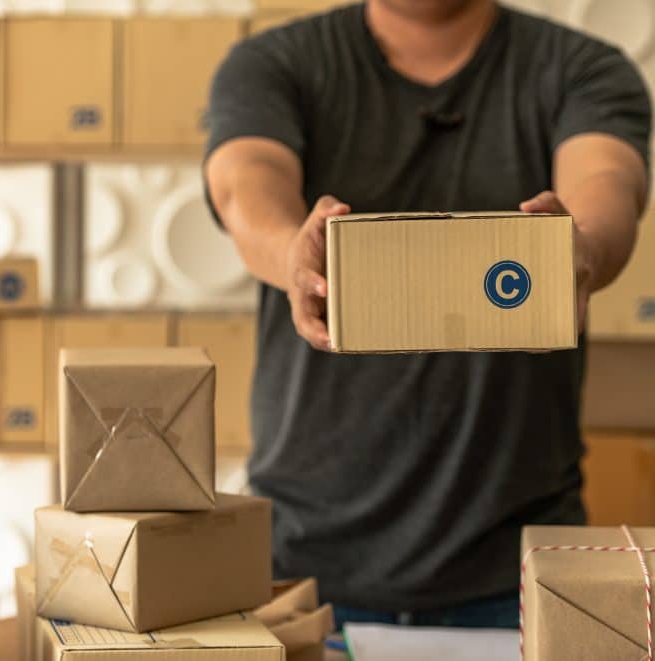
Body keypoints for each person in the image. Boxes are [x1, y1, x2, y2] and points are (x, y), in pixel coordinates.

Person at [204, 0, 651, 629]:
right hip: (304, 565)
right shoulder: (276, 62)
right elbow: (245, 179)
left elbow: (609, 179)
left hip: (518, 569)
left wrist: (581, 247)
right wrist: (291, 256)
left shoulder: (580, 68)